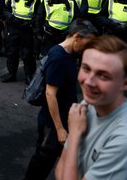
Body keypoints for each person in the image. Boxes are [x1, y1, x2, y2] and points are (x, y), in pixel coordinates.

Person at [55, 35, 127, 180]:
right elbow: (60, 172)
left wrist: (74, 134)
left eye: (103, 76)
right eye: (86, 68)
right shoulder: (90, 104)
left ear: (126, 84)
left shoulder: (126, 142)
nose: (89, 82)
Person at [24, 20, 98, 180]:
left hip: (66, 117)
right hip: (52, 124)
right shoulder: (58, 57)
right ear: (77, 37)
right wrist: (59, 129)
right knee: (41, 164)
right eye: (88, 43)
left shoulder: (69, 54)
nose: (88, 48)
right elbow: (50, 94)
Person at [2, 0, 39, 83]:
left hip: (27, 30)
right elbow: (5, 11)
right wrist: (12, 19)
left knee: (27, 54)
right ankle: (12, 74)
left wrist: (30, 23)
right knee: (12, 52)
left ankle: (28, 75)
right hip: (14, 28)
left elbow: (38, 15)